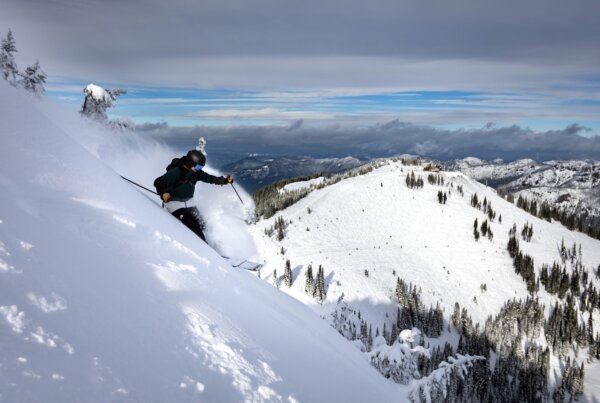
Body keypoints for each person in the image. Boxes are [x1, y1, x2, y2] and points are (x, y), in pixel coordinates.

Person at [153, 150, 234, 242]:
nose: (200, 169)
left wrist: (224, 181)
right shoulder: (177, 172)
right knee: (193, 226)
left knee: (202, 224)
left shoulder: (196, 173)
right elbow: (158, 182)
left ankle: (212, 246)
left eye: (201, 167)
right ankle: (205, 249)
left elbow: (210, 178)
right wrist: (164, 193)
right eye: (199, 167)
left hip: (189, 202)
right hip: (174, 204)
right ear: (190, 164)